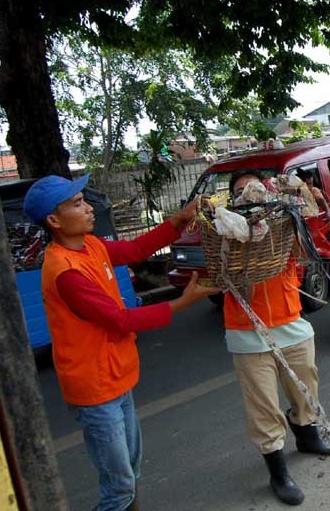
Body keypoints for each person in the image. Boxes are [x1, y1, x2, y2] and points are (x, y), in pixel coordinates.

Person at [23, 174, 221, 511]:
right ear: (54, 220)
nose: (88, 209)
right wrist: (182, 303)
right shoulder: (65, 272)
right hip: (94, 388)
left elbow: (132, 250)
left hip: (116, 377)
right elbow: (121, 319)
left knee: (129, 472)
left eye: (84, 200)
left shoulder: (91, 246)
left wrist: (178, 220)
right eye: (77, 204)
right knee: (119, 488)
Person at [224, 173, 330, 506]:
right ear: (232, 199)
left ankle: (307, 435)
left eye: (254, 188)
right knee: (263, 406)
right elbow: (215, 273)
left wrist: (307, 204)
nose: (248, 194)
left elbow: (308, 251)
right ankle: (278, 473)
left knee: (306, 385)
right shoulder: (223, 228)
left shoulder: (283, 222)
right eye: (240, 191)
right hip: (247, 330)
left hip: (290, 319)